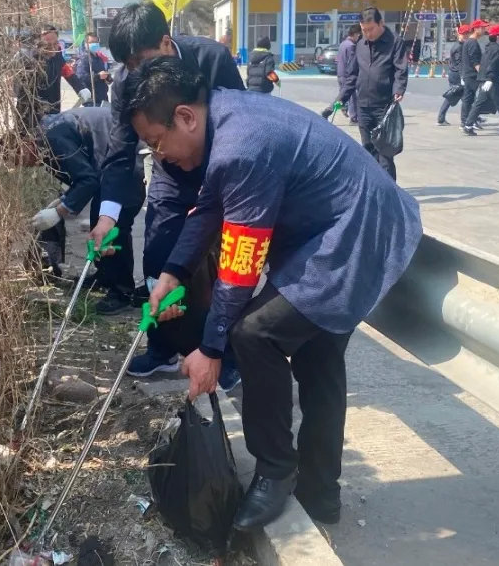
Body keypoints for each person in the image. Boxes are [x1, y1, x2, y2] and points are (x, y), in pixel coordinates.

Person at [126, 56, 422, 530]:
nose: (160, 156)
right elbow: (210, 206)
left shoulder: (242, 146)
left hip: (354, 231)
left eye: (157, 142)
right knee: (318, 356)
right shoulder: (224, 116)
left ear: (185, 117)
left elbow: (239, 268)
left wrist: (211, 348)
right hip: (337, 225)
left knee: (253, 333)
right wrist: (173, 273)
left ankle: (275, 471)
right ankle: (321, 493)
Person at [90, 0, 245, 390]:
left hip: (218, 174)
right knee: (159, 258)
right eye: (127, 65)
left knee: (220, 267)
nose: (134, 72)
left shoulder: (211, 59)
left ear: (164, 42)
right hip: (171, 174)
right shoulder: (126, 83)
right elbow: (120, 150)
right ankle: (161, 347)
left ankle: (223, 353)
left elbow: (240, 120)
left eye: (139, 61)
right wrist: (107, 216)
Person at [22, 107, 144, 311]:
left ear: (25, 143)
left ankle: (122, 291)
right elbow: (80, 175)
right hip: (106, 164)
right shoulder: (45, 139)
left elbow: (88, 180)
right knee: (98, 220)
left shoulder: (53, 139)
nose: (24, 165)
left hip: (124, 162)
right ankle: (105, 276)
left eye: (20, 158)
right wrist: (63, 201)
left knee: (115, 227)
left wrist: (59, 212)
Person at [329, 7, 407, 181]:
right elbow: (352, 76)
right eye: (364, 30)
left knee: (385, 155)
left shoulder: (395, 42)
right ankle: (373, 188)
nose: (368, 34)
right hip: (363, 106)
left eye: (371, 29)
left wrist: (399, 89)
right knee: (368, 152)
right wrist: (338, 102)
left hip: (384, 107)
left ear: (381, 23)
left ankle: (388, 191)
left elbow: (400, 69)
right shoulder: (360, 44)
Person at [437, 24, 470, 126]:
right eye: (464, 34)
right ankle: (470, 118)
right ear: (460, 34)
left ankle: (441, 118)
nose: (466, 36)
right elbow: (459, 63)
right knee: (465, 96)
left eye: (467, 34)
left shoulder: (459, 45)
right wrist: (462, 77)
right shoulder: (459, 47)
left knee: (453, 95)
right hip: (457, 74)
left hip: (454, 73)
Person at [460, 19, 488, 130]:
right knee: (470, 99)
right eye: (482, 28)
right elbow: (475, 61)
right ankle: (466, 122)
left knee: (470, 99)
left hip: (469, 74)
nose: (484, 30)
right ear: (476, 29)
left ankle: (468, 121)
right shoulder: (472, 43)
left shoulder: (470, 42)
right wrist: (483, 75)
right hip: (471, 75)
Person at [75, 32, 111, 106]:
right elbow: (81, 77)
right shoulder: (84, 58)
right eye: (92, 42)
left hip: (103, 97)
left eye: (96, 42)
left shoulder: (99, 58)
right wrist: (98, 76)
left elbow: (103, 73)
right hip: (92, 100)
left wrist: (107, 77)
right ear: (86, 44)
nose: (95, 44)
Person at [336, 25, 361, 124]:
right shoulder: (351, 46)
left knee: (343, 94)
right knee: (352, 96)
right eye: (359, 35)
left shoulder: (342, 44)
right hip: (347, 74)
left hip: (340, 73)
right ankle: (353, 117)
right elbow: (351, 62)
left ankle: (343, 107)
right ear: (355, 34)